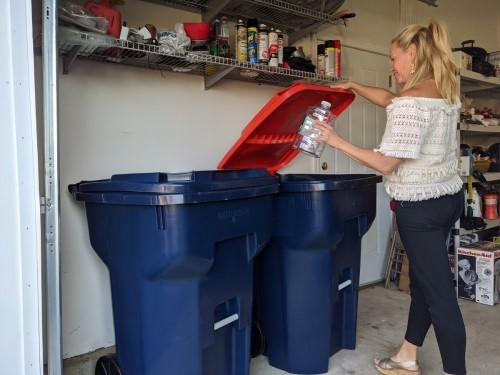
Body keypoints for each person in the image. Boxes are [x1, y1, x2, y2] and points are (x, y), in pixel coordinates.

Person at [313, 20, 466, 375]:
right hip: (448, 199)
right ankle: (406, 356)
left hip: (421, 210)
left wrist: (335, 140)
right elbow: (389, 98)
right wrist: (352, 84)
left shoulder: (410, 103)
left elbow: (385, 162)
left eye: (394, 58)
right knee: (427, 286)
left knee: (440, 298)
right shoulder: (445, 93)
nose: (391, 66)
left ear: (412, 55)